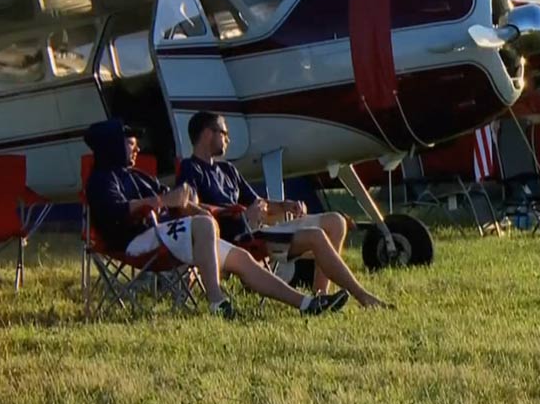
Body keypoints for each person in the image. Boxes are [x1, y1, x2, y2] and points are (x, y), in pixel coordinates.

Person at [83, 119, 346, 319]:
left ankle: (306, 303)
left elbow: (175, 200)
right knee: (204, 224)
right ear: (113, 146)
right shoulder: (101, 180)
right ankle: (217, 301)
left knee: (241, 257)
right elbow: (117, 212)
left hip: (168, 235)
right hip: (134, 241)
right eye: (131, 144)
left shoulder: (139, 177)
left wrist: (196, 208)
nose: (138, 148)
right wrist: (163, 202)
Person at [176, 111, 390, 309]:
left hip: (258, 229)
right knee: (315, 235)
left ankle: (321, 294)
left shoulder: (227, 170)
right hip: (240, 239)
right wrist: (237, 212)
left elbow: (259, 203)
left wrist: (285, 205)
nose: (228, 139)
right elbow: (189, 207)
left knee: (335, 221)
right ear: (207, 134)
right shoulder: (190, 168)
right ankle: (363, 297)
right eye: (224, 133)